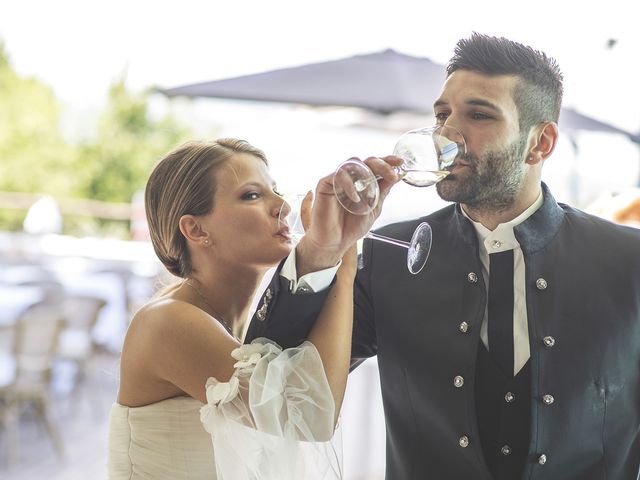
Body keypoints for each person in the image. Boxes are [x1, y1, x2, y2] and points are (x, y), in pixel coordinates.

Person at [246, 33, 640, 480]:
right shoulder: (383, 255)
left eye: (478, 114)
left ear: (540, 143)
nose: (448, 133)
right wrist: (322, 250)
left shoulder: (630, 263)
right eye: (441, 114)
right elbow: (273, 377)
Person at [107, 138, 400, 479]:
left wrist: (327, 252)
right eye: (252, 195)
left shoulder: (243, 328)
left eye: (274, 190)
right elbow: (309, 416)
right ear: (196, 229)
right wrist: (342, 260)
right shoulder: (166, 321)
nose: (282, 206)